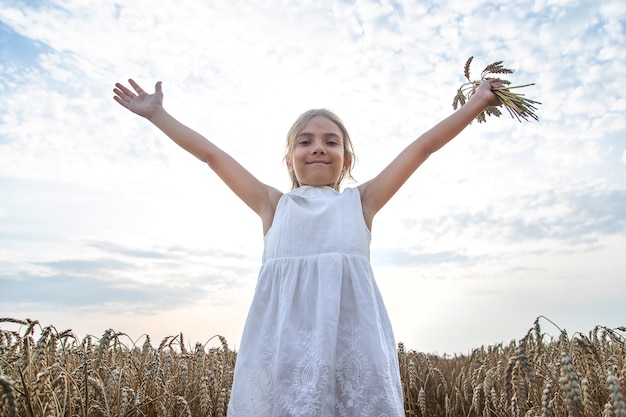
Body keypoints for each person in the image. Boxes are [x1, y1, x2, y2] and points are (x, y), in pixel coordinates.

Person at [113, 78, 502, 416]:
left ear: (346, 161)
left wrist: (477, 103)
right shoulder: (272, 205)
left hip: (351, 350)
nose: (318, 147)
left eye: (330, 142)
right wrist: (157, 115)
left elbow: (423, 148)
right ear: (290, 160)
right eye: (306, 142)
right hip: (282, 351)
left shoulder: (361, 203)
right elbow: (212, 156)